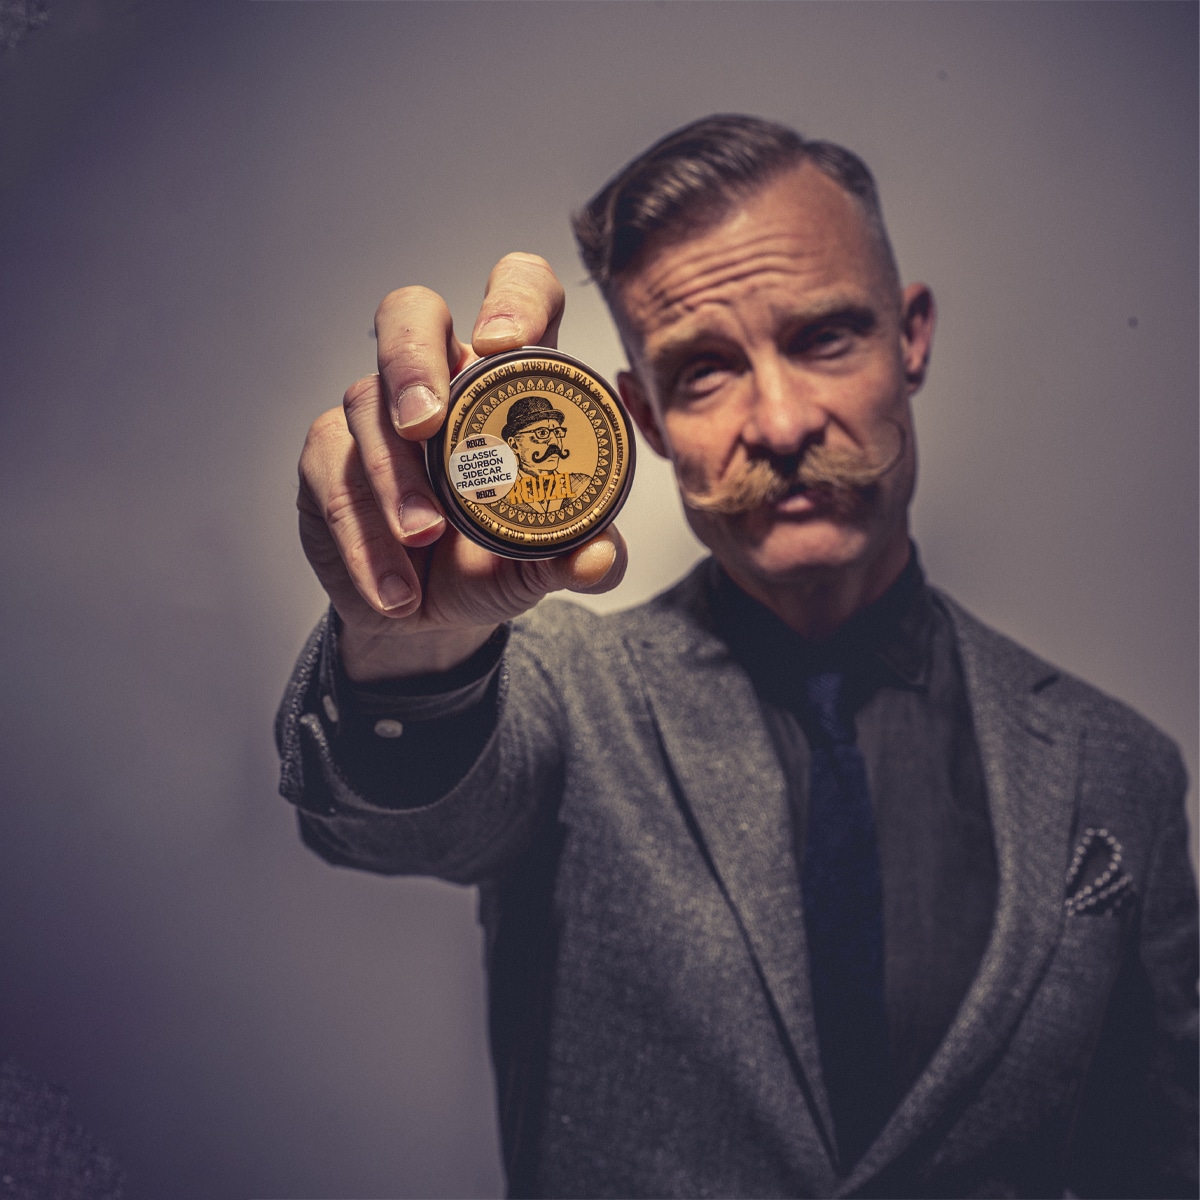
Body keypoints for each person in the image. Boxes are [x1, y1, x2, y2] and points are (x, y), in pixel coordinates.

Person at [277, 115, 1198, 1198]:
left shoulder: (1119, 769)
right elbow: (404, 816)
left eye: (825, 339)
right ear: (642, 417)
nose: (781, 421)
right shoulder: (560, 696)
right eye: (705, 371)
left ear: (910, 340)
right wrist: (410, 645)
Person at [499, 395, 592, 515]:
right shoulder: (501, 494)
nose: (555, 442)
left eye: (557, 432)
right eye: (542, 433)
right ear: (514, 445)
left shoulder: (582, 485)